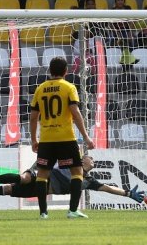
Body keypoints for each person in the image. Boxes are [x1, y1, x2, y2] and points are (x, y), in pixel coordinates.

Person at [30, 56, 95, 219]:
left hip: (46, 139)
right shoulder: (69, 87)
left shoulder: (40, 88)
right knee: (77, 171)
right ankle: (72, 210)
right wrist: (86, 137)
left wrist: (33, 139)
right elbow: (75, 112)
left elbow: (33, 117)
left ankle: (43, 213)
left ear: (50, 71)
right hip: (66, 138)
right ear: (66, 71)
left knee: (42, 175)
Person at [0, 155, 145, 204]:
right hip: (41, 172)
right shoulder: (69, 161)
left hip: (42, 189)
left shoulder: (87, 181)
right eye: (90, 157)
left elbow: (109, 188)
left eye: (92, 158)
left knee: (7, 190)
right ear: (82, 160)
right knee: (24, 178)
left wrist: (128, 193)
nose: (92, 159)